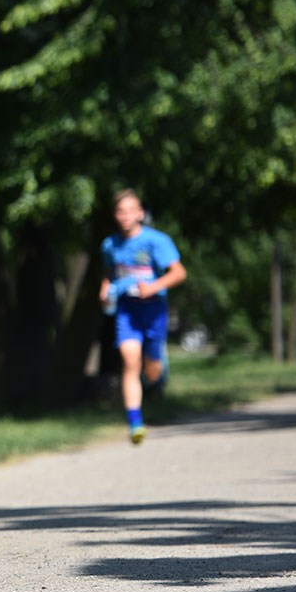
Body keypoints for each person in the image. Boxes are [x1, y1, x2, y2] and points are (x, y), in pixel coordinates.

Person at [99, 189, 186, 445]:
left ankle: (157, 368)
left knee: (151, 370)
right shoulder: (110, 245)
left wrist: (154, 287)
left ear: (140, 213)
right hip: (127, 310)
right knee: (129, 360)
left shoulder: (156, 241)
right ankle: (135, 423)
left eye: (130, 211)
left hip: (154, 309)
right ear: (115, 215)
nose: (125, 216)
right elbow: (109, 274)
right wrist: (105, 290)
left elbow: (179, 273)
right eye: (120, 211)